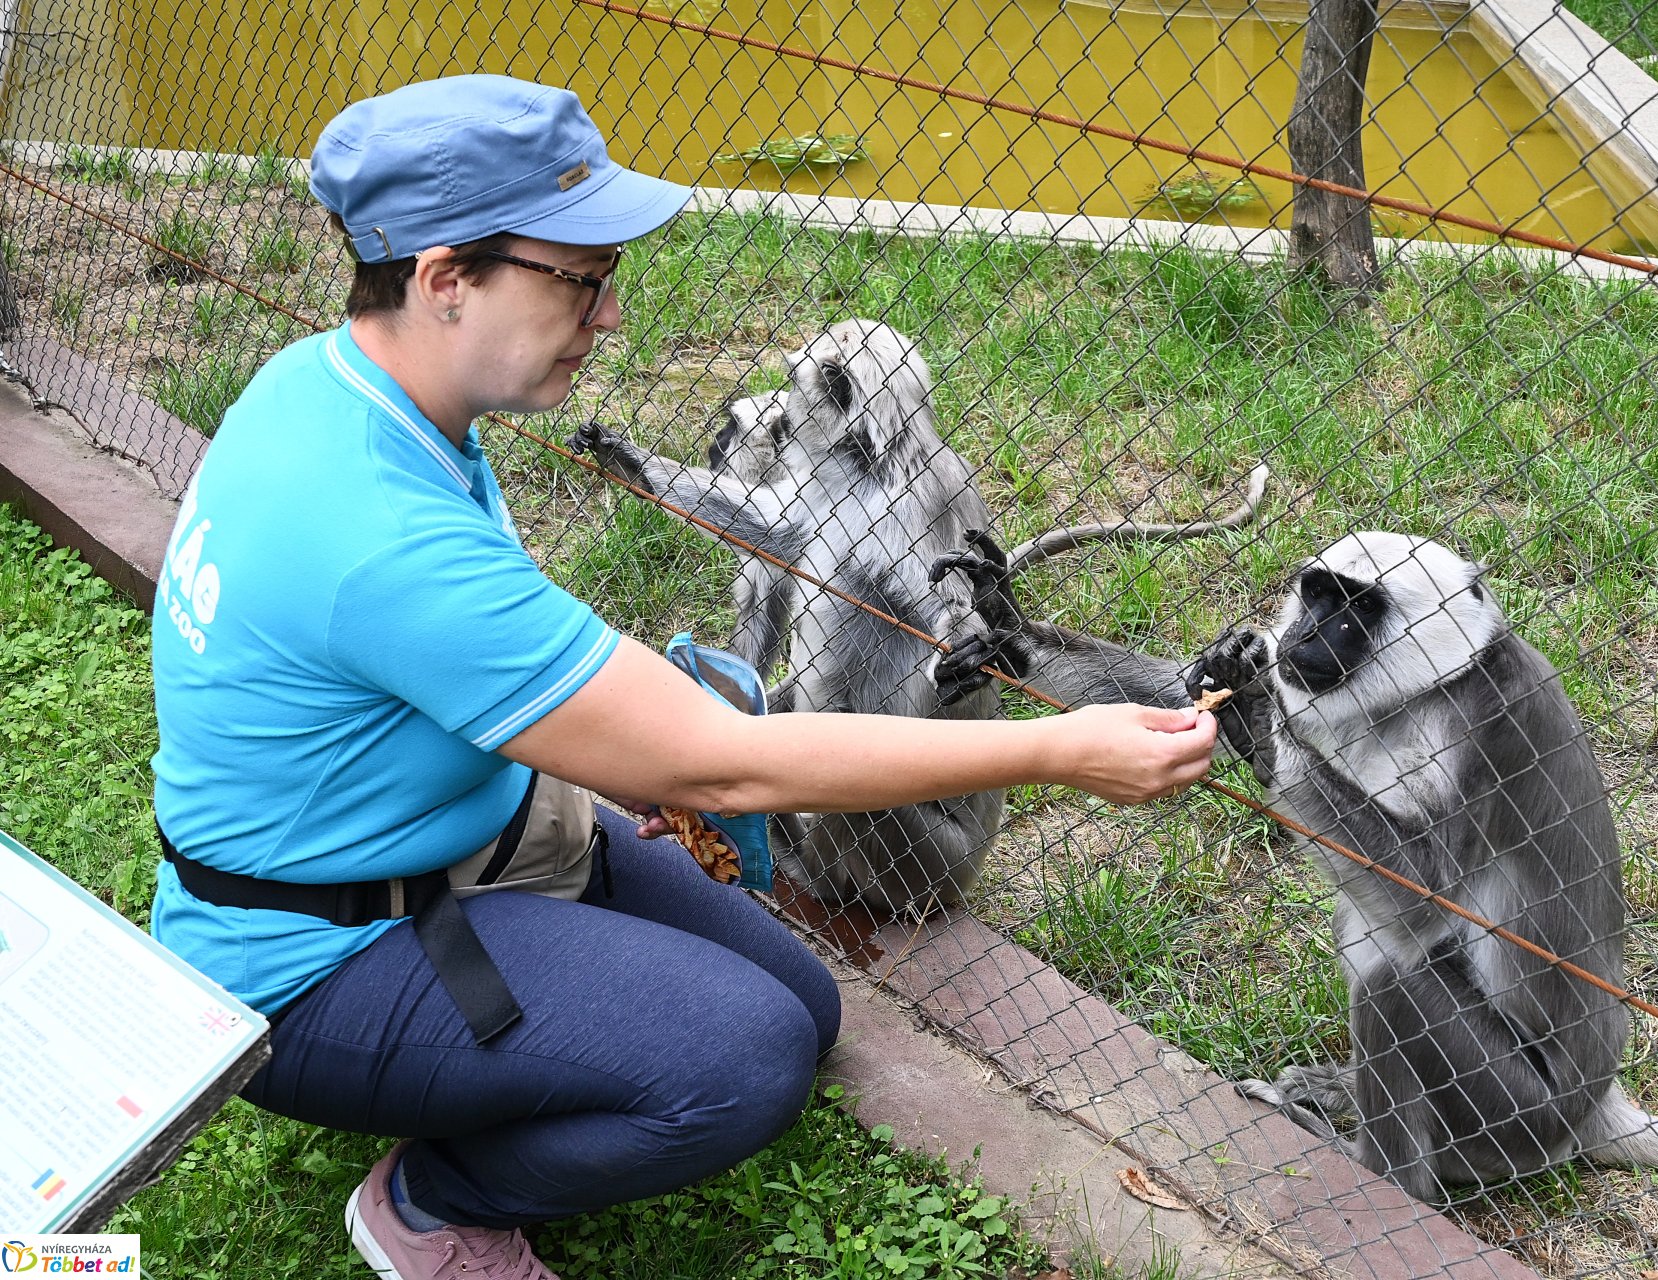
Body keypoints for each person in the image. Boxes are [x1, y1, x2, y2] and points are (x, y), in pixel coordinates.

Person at [147, 74, 1216, 1280]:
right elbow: (732, 764)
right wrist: (1058, 747)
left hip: (461, 844)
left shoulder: (344, 389)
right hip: (325, 956)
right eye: (582, 279)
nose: (610, 318)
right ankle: (434, 1199)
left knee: (803, 1008)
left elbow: (523, 676)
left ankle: (502, 1056)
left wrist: (634, 740)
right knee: (742, 1060)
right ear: (447, 280)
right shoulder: (380, 533)